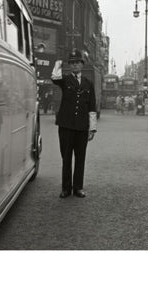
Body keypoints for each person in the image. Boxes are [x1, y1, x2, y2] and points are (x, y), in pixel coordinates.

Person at [51, 49, 97, 199]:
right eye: (72, 63)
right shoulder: (64, 80)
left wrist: (93, 128)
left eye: (77, 62)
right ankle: (66, 188)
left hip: (82, 127)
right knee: (66, 157)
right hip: (66, 126)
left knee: (80, 157)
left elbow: (92, 106)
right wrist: (59, 62)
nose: (75, 65)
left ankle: (78, 187)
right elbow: (54, 77)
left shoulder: (88, 84)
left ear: (82, 64)